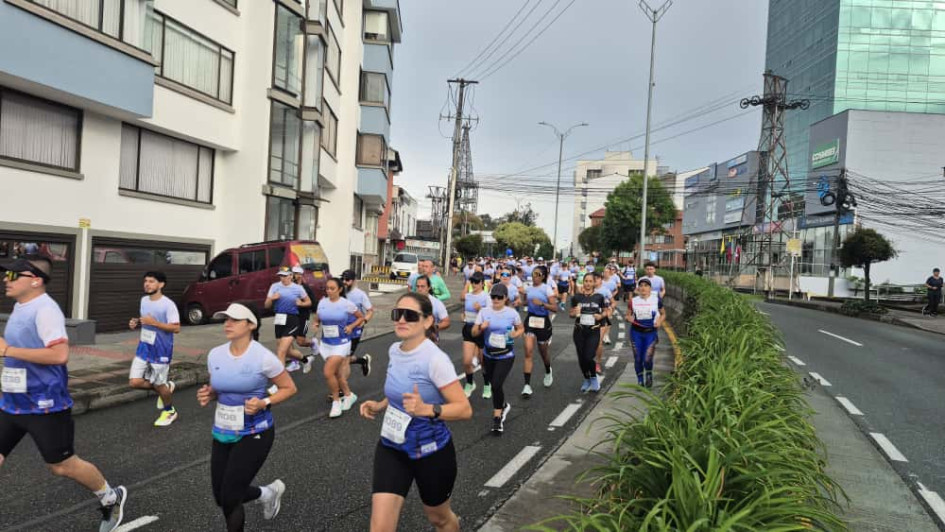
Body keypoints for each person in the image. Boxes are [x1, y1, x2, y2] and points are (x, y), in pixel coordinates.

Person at [0, 256, 128, 532]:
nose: (5, 279)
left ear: (35, 279)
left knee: (62, 466)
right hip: (12, 403)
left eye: (12, 275)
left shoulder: (46, 310)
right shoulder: (21, 306)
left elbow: (59, 354)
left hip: (44, 405)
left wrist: (8, 351)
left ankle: (111, 497)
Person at [359, 293, 472, 532]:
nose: (401, 319)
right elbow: (400, 395)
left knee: (439, 519)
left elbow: (464, 409)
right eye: (397, 314)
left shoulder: (435, 360)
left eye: (410, 315)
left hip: (431, 452)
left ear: (427, 321)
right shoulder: (394, 350)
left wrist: (427, 409)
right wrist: (379, 405)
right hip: (392, 447)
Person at [198, 303, 296, 532]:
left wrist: (264, 402)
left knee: (231, 496)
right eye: (225, 319)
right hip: (223, 431)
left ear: (251, 325)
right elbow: (219, 388)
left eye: (235, 319)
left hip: (255, 432)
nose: (227, 324)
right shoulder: (215, 354)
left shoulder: (263, 357)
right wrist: (209, 394)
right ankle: (267, 493)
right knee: (221, 497)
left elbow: (289, 388)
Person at [128, 271, 181, 427]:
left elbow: (176, 328)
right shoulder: (144, 300)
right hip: (143, 347)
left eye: (151, 281)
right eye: (146, 281)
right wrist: (136, 322)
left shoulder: (168, 305)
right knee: (135, 382)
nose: (147, 284)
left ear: (161, 284)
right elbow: (146, 320)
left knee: (158, 384)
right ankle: (166, 388)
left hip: (161, 350)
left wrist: (155, 323)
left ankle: (169, 411)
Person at [472, 284, 524, 434]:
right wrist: (481, 327)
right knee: (491, 381)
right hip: (489, 355)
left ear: (505, 298)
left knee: (496, 384)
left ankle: (497, 417)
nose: (495, 299)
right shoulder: (484, 312)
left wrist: (516, 334)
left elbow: (520, 328)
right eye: (493, 296)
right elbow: (474, 332)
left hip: (506, 355)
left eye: (499, 297)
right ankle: (503, 405)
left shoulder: (512, 313)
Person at [313, 278, 364, 418]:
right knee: (337, 374)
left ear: (340, 289)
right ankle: (349, 395)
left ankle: (336, 402)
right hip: (326, 343)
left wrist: (351, 326)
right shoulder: (322, 302)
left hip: (341, 343)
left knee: (328, 372)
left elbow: (361, 317)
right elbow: (318, 318)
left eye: (332, 288)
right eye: (327, 288)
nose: (329, 291)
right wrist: (316, 324)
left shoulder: (346, 304)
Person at [264, 267, 311, 371]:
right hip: (279, 319)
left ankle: (281, 383)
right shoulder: (274, 286)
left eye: (285, 276)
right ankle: (305, 360)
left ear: (291, 276)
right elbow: (266, 305)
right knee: (288, 351)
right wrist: (271, 299)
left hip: (292, 319)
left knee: (281, 351)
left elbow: (309, 302)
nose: (282, 278)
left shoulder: (298, 288)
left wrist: (301, 303)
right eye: (280, 275)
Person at [521, 266, 557, 397]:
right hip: (530, 320)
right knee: (528, 351)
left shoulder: (547, 288)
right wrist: (521, 302)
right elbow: (525, 302)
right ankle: (526, 386)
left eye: (538, 273)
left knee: (543, 352)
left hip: (543, 322)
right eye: (533, 273)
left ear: (543, 276)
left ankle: (548, 370)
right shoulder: (528, 288)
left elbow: (555, 308)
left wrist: (542, 304)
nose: (535, 275)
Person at [570, 273, 607, 393]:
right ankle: (586, 378)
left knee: (588, 356)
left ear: (594, 283)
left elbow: (607, 311)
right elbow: (571, 314)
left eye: (590, 281)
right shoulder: (576, 297)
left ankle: (593, 377)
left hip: (593, 331)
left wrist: (600, 315)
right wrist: (574, 313)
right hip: (579, 331)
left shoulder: (599, 297)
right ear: (583, 282)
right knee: (581, 358)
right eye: (586, 281)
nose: (588, 283)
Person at [627, 278, 664, 388]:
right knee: (638, 357)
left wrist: (659, 321)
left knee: (647, 358)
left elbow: (663, 314)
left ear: (650, 288)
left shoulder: (656, 300)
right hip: (636, 332)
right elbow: (628, 315)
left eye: (646, 286)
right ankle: (640, 379)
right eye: (641, 285)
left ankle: (648, 373)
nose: (643, 288)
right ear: (638, 288)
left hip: (650, 332)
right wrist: (628, 318)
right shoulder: (633, 301)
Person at [460, 272, 491, 398]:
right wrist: (463, 314)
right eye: (472, 282)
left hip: (481, 331)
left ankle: (487, 384)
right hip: (468, 328)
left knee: (483, 362)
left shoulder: (486, 297)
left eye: (477, 282)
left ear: (482, 283)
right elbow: (462, 300)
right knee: (467, 361)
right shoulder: (468, 296)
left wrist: (480, 310)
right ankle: (469, 383)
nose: (474, 284)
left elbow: (489, 315)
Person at [341, 270, 374, 377]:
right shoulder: (340, 292)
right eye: (343, 279)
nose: (344, 282)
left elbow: (370, 310)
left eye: (347, 280)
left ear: (354, 281)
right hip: (342, 329)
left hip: (355, 330)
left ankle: (342, 390)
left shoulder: (360, 295)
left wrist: (364, 320)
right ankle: (363, 361)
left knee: (344, 359)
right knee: (340, 358)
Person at [290, 266, 318, 374]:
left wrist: (316, 319)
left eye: (297, 273)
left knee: (300, 341)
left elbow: (313, 304)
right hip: (291, 317)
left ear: (301, 275)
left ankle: (312, 343)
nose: (294, 275)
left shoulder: (306, 288)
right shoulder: (289, 287)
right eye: (293, 273)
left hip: (303, 317)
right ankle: (294, 362)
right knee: (287, 340)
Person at [592, 273, 614, 376]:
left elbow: (613, 302)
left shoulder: (605, 290)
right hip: (589, 319)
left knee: (599, 342)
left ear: (601, 280)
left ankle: (597, 363)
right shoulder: (587, 290)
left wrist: (610, 309)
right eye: (593, 279)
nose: (594, 281)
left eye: (596, 279)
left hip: (602, 317)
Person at [416, 276, 450, 342]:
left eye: (422, 286)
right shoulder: (411, 302)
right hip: (414, 340)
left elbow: (446, 322)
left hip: (430, 341)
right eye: (418, 286)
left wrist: (434, 327)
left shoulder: (436, 303)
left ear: (429, 287)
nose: (419, 289)